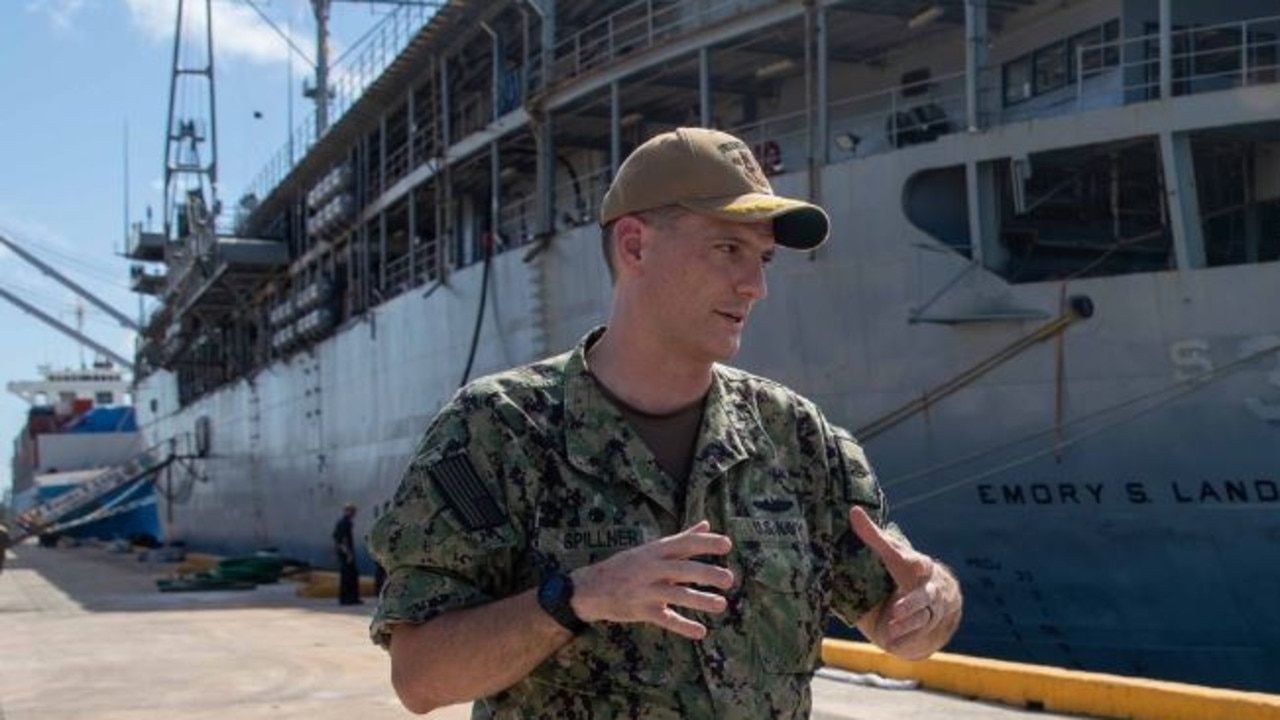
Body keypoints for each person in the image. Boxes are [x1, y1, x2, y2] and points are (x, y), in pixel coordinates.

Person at [369, 127, 963, 718]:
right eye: (727, 249)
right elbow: (420, 679)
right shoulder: (499, 429)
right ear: (634, 247)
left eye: (762, 259)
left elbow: (898, 623)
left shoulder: (794, 436)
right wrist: (579, 596)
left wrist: (934, 599)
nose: (754, 287)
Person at [333, 503, 361, 605]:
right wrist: (348, 554)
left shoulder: (345, 523)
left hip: (346, 553)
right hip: (346, 554)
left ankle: (352, 598)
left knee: (351, 575)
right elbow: (341, 541)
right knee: (348, 577)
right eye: (353, 512)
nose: (354, 514)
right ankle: (347, 598)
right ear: (348, 511)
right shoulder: (344, 523)